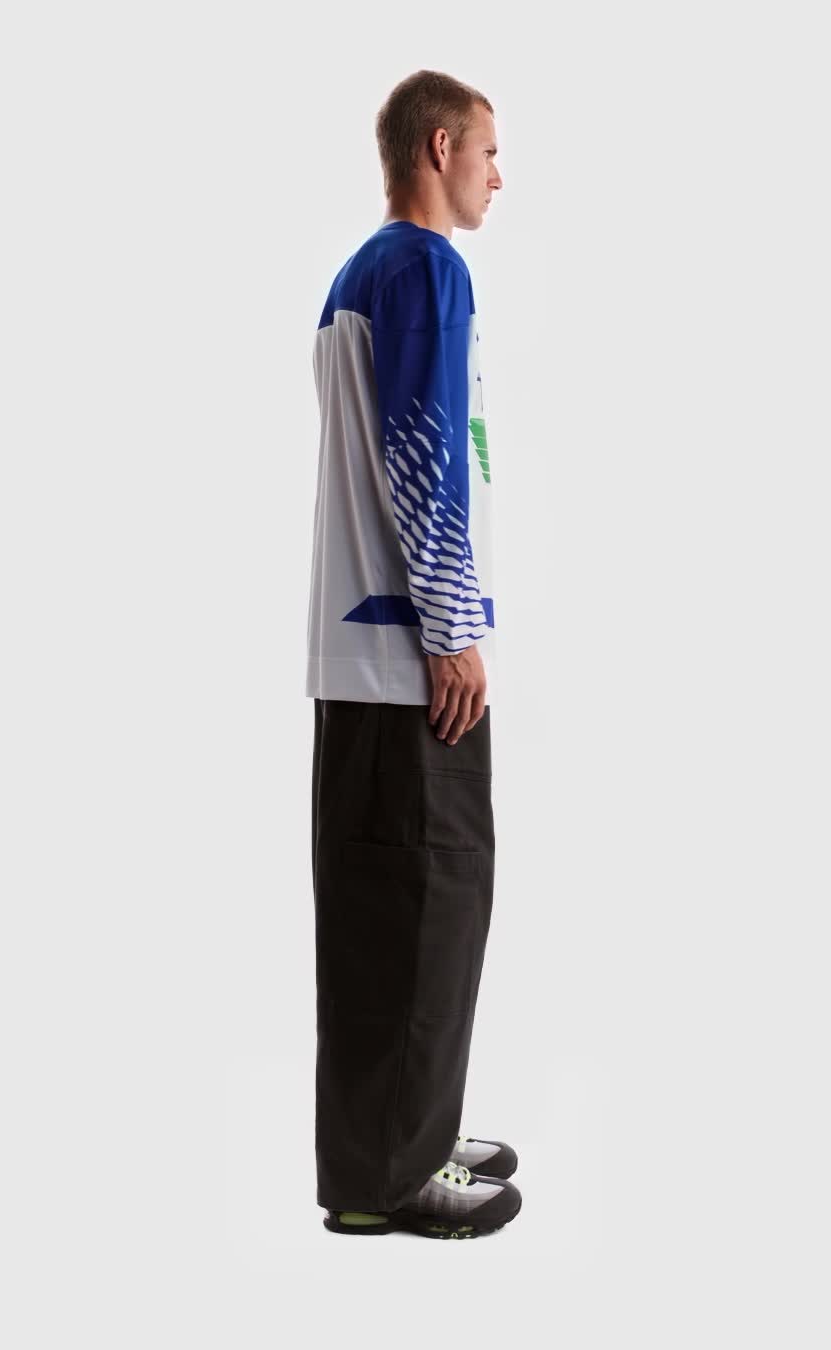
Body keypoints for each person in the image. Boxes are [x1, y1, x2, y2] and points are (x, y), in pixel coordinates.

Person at [305, 70, 521, 1240]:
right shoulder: (428, 269)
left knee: (379, 919)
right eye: (488, 152)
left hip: (358, 664)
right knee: (431, 906)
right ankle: (393, 1174)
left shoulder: (359, 273)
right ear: (439, 148)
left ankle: (401, 1131)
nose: (499, 177)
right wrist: (453, 631)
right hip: (405, 660)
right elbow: (421, 448)